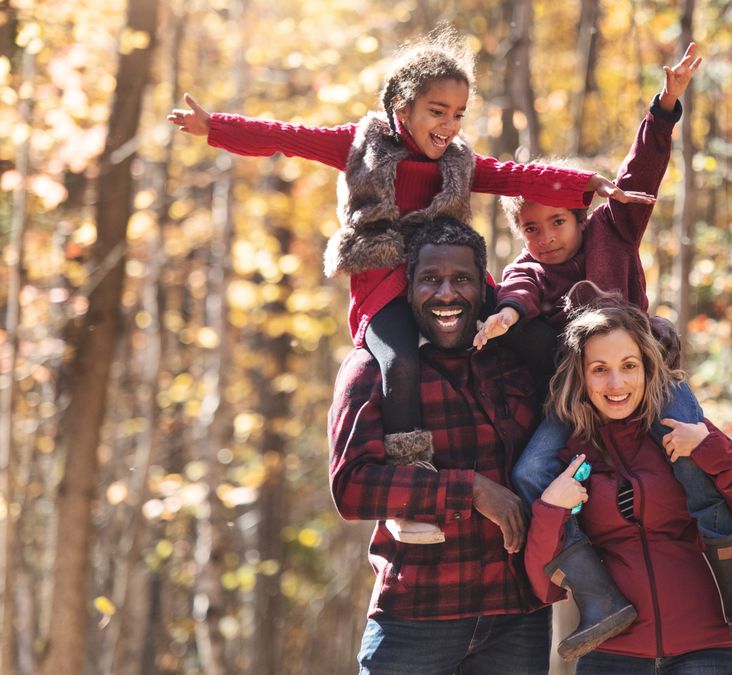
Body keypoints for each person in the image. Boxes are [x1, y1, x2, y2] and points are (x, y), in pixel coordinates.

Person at [168, 28, 652, 544]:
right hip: (386, 280)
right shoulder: (361, 147)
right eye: (436, 111)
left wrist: (584, 185)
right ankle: (412, 481)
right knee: (399, 361)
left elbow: (513, 176)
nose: (448, 125)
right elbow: (287, 138)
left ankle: (577, 436)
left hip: (450, 274)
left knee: (538, 341)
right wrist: (213, 126)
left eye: (458, 113)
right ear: (403, 104)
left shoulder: (458, 162)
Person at [472, 43, 732, 658]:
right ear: (518, 230)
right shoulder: (528, 268)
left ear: (581, 215)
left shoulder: (614, 229)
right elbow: (518, 293)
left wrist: (664, 108)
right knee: (530, 472)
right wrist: (502, 315)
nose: (546, 237)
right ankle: (599, 595)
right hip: (582, 394)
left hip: (650, 379)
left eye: (558, 222)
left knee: (690, 456)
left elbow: (640, 175)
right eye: (531, 227)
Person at [328, 216, 552, 674]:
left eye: (462, 279)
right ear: (408, 288)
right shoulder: (372, 370)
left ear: (484, 289)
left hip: (519, 616)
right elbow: (351, 487)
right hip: (417, 618)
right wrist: (470, 489)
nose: (447, 293)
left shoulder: (514, 362)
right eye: (430, 279)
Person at [523, 302, 732, 674]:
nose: (616, 384)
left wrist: (709, 446)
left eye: (629, 366)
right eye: (599, 370)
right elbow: (542, 586)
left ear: (647, 366)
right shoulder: (563, 456)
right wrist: (551, 509)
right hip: (611, 654)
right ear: (581, 376)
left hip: (708, 649)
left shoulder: (683, 430)